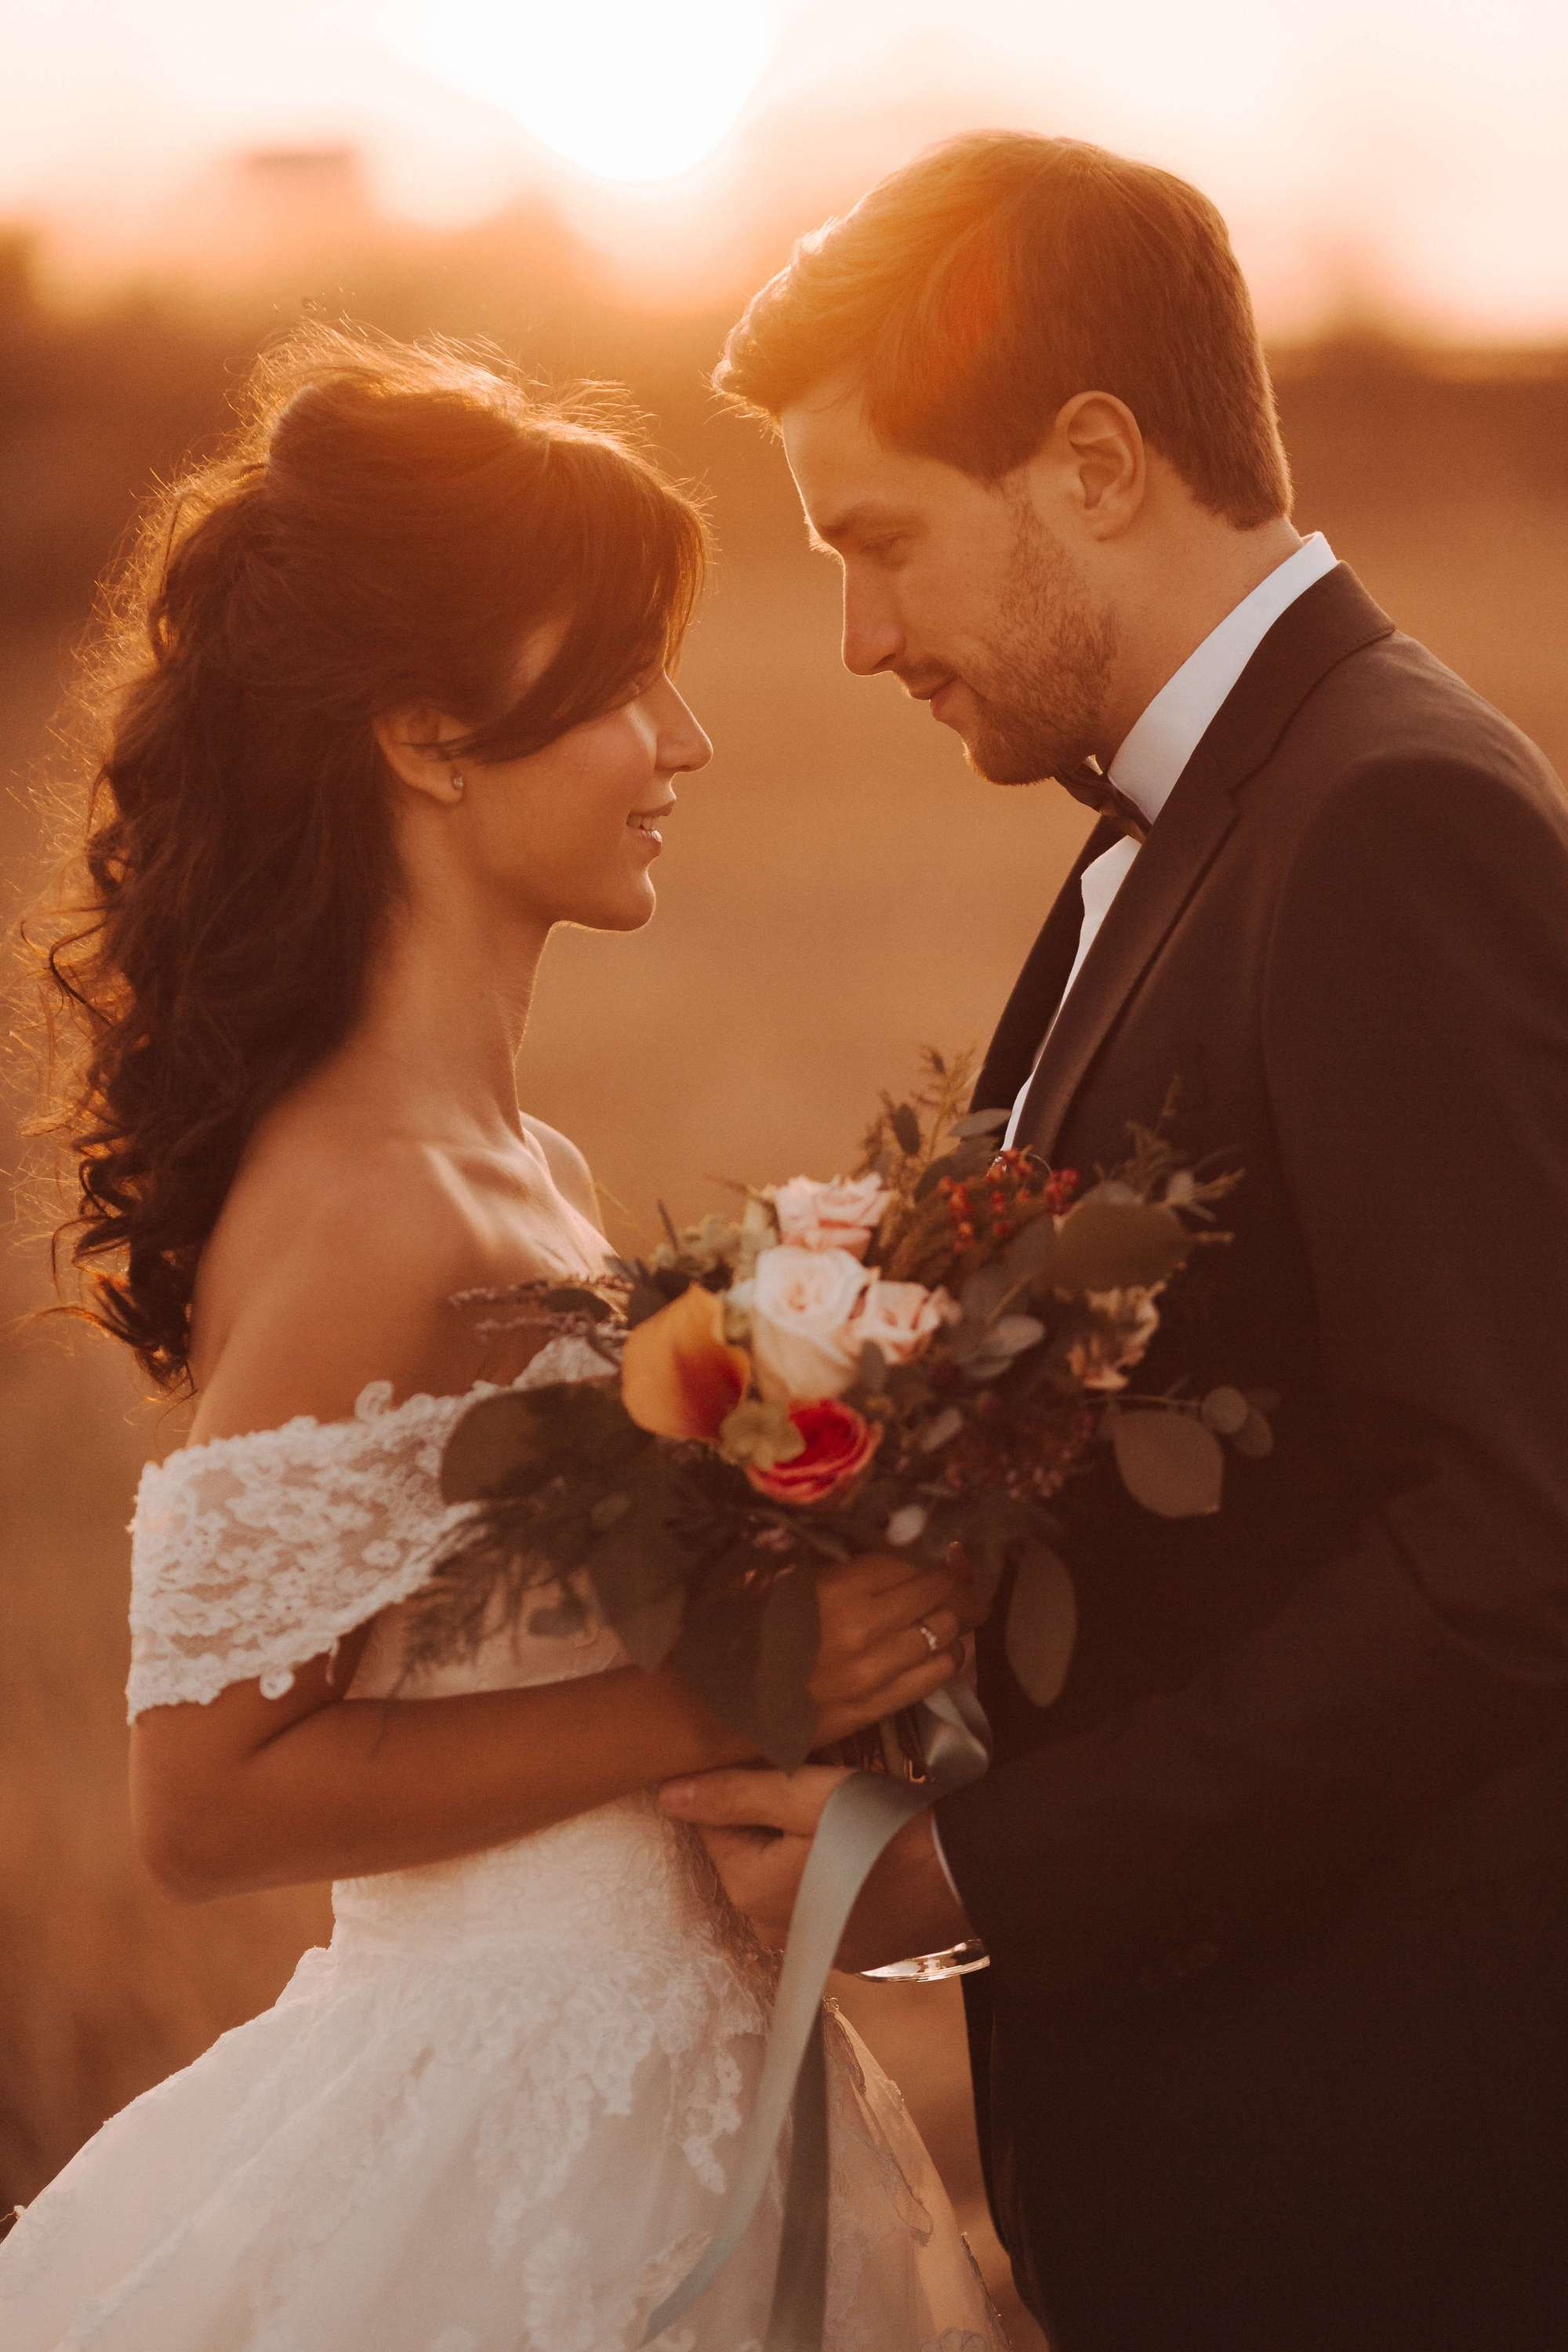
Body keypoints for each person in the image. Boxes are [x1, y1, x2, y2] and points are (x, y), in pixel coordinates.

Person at [0, 323, 1004, 2350]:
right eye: (626, 678)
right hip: (506, 2149)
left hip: (685, 2073)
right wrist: (740, 1689)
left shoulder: (509, 1160)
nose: (687, 740)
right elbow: (205, 1801)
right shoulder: (377, 1199)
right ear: (428, 735)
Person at [662, 132, 1568, 2352]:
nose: (860, 637)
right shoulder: (1186, 835)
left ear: (1090, 461)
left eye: (879, 542)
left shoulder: (1388, 819)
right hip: (1225, 2131)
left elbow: (1514, 1544)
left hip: (1379, 2168)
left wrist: (991, 1879)